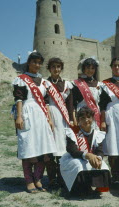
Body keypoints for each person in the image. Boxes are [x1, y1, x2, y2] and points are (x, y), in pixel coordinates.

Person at [12, 51, 57, 193]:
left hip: (42, 115)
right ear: (29, 63)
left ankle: (38, 179)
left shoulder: (44, 82)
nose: (37, 65)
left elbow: (47, 102)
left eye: (39, 63)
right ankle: (29, 181)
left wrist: (49, 119)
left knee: (43, 147)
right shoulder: (22, 79)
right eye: (34, 62)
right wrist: (19, 116)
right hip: (28, 113)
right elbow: (19, 99)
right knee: (28, 147)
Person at [60, 106, 110, 195]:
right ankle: (82, 189)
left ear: (93, 119)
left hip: (90, 158)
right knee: (79, 164)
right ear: (78, 120)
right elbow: (72, 151)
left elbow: (99, 150)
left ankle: (100, 188)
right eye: (82, 118)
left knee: (103, 165)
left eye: (88, 117)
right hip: (74, 158)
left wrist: (98, 158)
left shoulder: (97, 133)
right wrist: (88, 155)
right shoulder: (72, 132)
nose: (86, 120)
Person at [45, 57, 74, 187]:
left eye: (58, 67)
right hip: (50, 114)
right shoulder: (45, 83)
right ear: (49, 68)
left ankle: (63, 176)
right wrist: (47, 118)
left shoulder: (67, 84)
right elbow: (43, 101)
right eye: (53, 67)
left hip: (64, 117)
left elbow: (70, 104)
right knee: (51, 146)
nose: (56, 69)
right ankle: (52, 178)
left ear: (61, 68)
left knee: (63, 146)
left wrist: (72, 119)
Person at [72, 57, 102, 129]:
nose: (90, 70)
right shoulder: (77, 83)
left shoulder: (99, 84)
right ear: (84, 69)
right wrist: (74, 118)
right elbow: (73, 103)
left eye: (92, 68)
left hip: (95, 116)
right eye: (88, 68)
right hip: (82, 116)